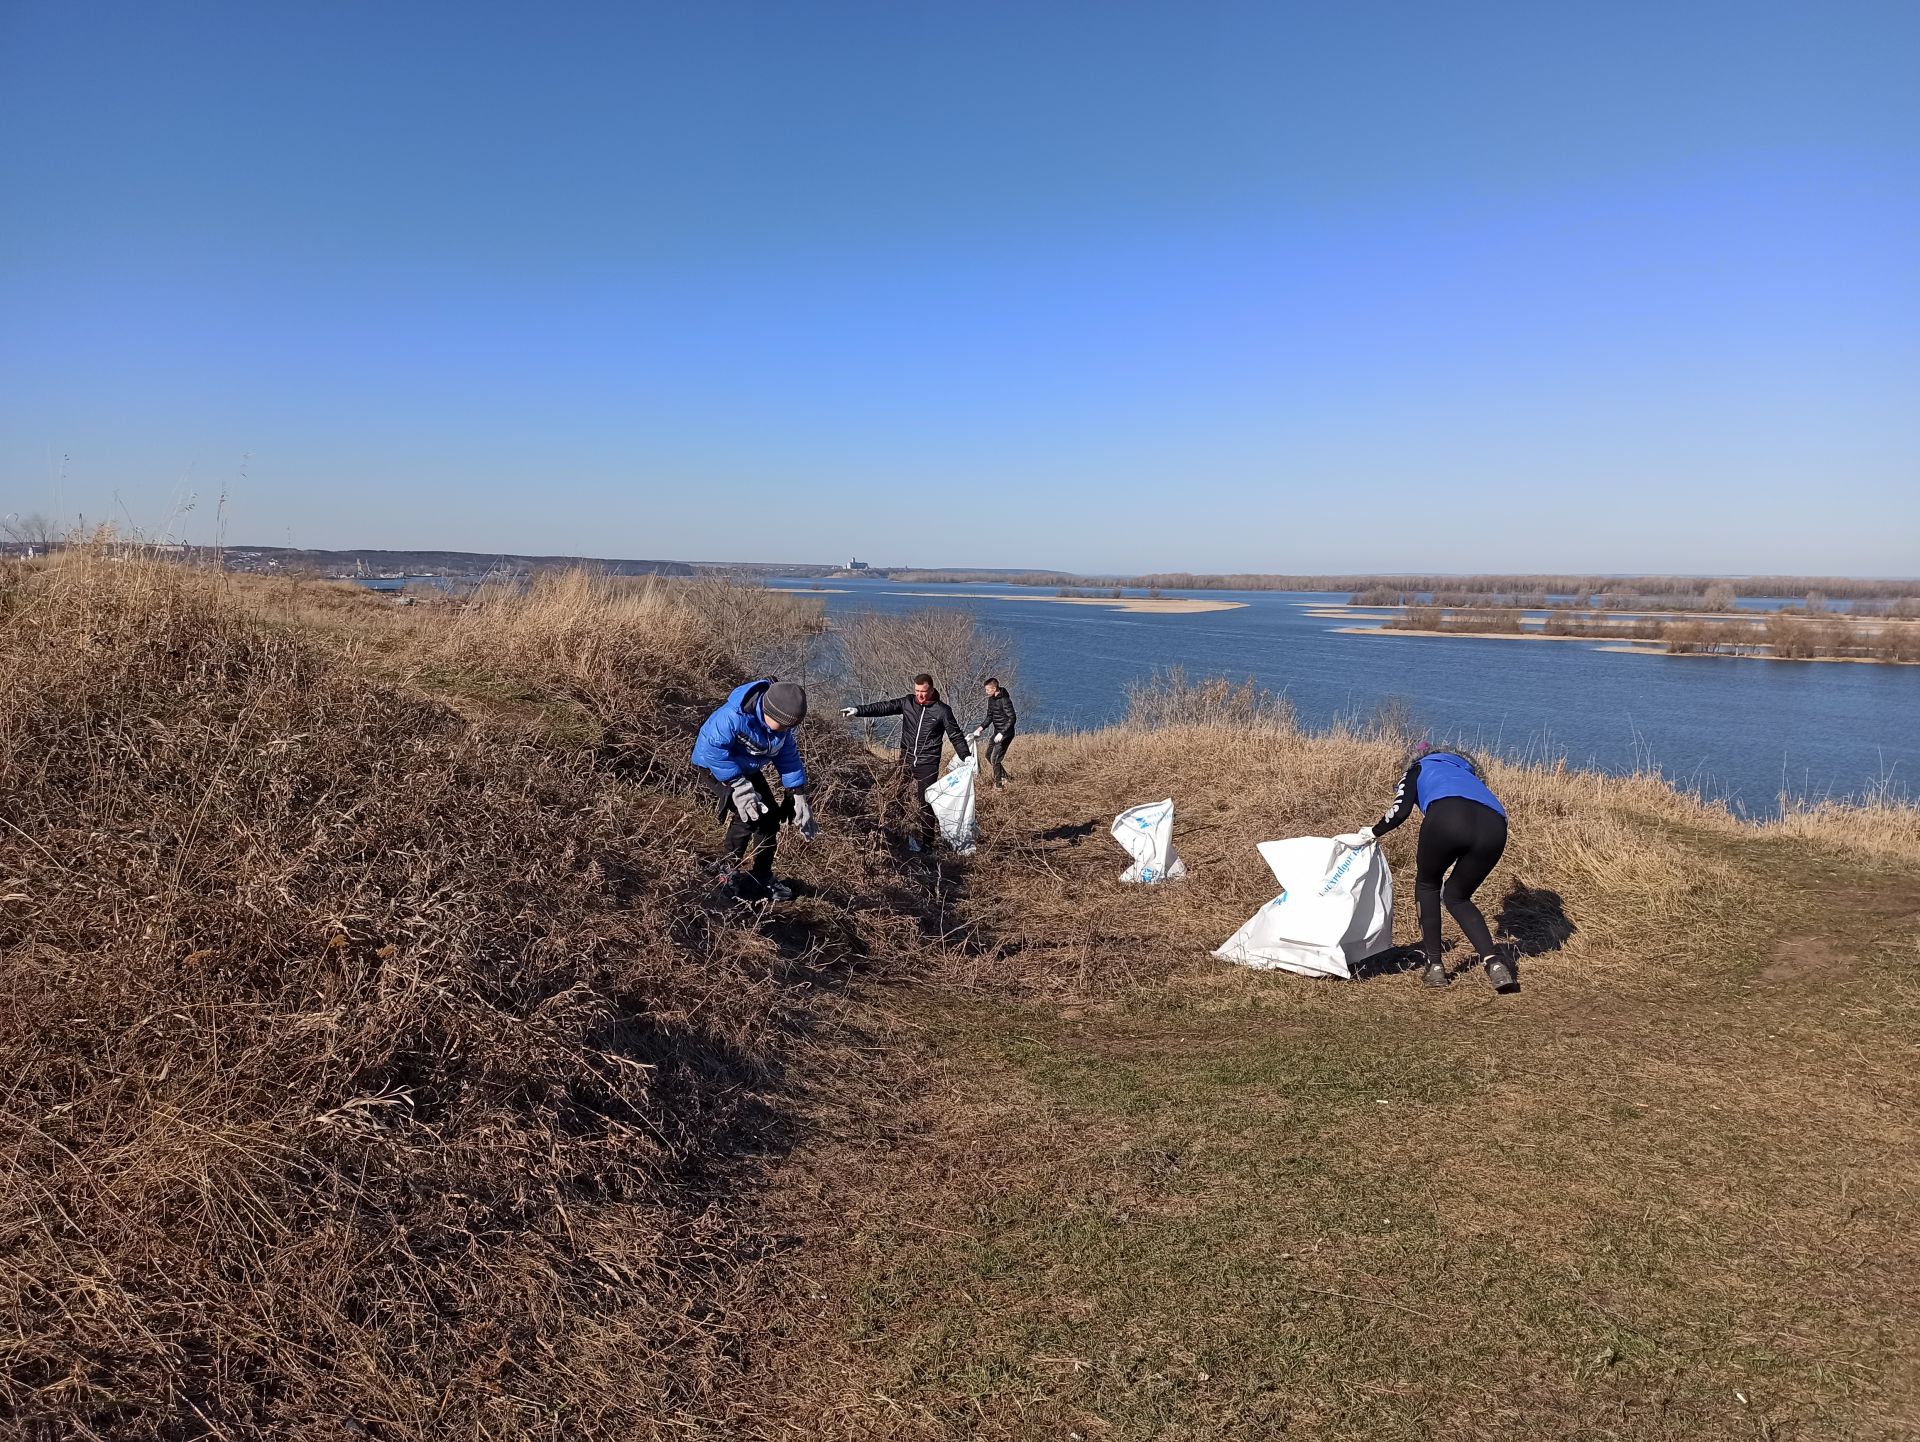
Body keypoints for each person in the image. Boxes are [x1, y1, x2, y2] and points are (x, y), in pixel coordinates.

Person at [1335, 744, 1514, 991]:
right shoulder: (1468, 776)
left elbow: (1399, 811)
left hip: (1447, 818)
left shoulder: (1419, 767)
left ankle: (1435, 966)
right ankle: (1495, 964)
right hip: (1495, 829)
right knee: (1457, 897)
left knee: (1428, 885)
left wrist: (1372, 832)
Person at [690, 678, 815, 901]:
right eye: (783, 725)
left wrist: (797, 793)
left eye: (790, 727)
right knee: (747, 815)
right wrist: (738, 786)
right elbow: (712, 749)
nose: (785, 731)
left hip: (746, 769)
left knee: (770, 820)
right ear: (768, 710)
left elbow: (788, 758)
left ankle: (762, 877)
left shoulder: (782, 729)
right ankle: (726, 870)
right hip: (715, 766)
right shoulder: (733, 716)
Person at [841, 672, 971, 849]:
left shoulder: (942, 710)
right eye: (917, 690)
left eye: (923, 691)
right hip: (906, 760)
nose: (920, 695)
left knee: (926, 803)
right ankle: (896, 832)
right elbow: (883, 707)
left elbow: (955, 735)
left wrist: (966, 756)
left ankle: (928, 844)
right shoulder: (908, 702)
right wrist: (858, 710)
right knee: (896, 796)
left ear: (931, 689)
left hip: (928, 763)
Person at [968, 677, 1017, 789]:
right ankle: (1006, 777)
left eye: (988, 690)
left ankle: (999, 785)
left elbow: (1012, 718)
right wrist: (980, 728)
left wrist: (1002, 733)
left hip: (1006, 734)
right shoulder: (991, 699)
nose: (986, 692)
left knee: (995, 758)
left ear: (994, 688)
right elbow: (989, 716)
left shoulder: (1005, 700)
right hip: (997, 732)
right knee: (988, 755)